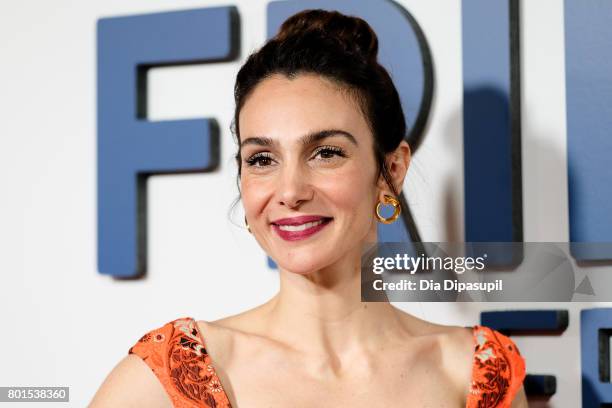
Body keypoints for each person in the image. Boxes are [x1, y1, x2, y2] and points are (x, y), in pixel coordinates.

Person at [90, 9, 527, 408]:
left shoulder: (475, 371)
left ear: (390, 169)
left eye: (326, 153)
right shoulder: (171, 377)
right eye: (262, 159)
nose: (291, 190)